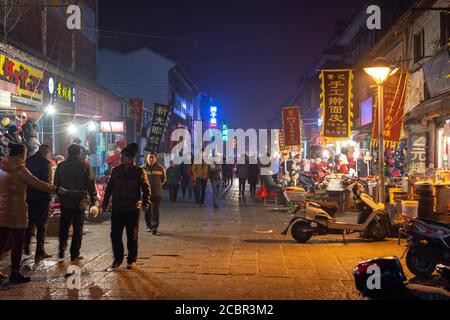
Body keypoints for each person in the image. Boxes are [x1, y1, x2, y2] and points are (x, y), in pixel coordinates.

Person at [0, 143, 56, 283]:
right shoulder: (20, 169)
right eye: (24, 153)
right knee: (17, 243)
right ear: (20, 154)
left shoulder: (2, 167)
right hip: (17, 211)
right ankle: (14, 273)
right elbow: (36, 183)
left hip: (2, 209)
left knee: (2, 242)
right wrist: (54, 188)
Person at [103, 143, 151, 270]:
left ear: (130, 158)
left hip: (132, 208)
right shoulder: (116, 170)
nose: (120, 158)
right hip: (117, 208)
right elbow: (109, 188)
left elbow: (146, 188)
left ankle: (131, 259)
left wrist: (146, 202)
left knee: (132, 235)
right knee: (115, 235)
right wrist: (105, 202)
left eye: (123, 156)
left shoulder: (139, 171)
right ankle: (118, 258)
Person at [54, 144, 97, 261]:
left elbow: (56, 183)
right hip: (79, 202)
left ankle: (61, 249)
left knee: (64, 226)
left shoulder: (61, 166)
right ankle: (74, 253)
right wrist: (94, 200)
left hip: (65, 201)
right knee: (78, 228)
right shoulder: (85, 167)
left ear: (68, 153)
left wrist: (60, 195)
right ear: (79, 153)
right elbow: (91, 185)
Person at [24, 145, 53, 261]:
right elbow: (46, 182)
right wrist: (49, 195)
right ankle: (39, 251)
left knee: (30, 222)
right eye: (49, 154)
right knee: (42, 225)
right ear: (46, 152)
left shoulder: (28, 160)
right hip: (41, 198)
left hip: (29, 196)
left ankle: (26, 246)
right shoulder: (46, 163)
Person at [143, 153, 166, 235]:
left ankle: (154, 227)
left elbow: (163, 179)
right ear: (147, 159)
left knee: (155, 211)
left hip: (157, 193)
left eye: (153, 158)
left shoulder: (160, 168)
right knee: (147, 211)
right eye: (150, 158)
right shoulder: (142, 168)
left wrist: (158, 185)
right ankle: (148, 226)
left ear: (156, 159)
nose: (151, 159)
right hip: (146, 194)